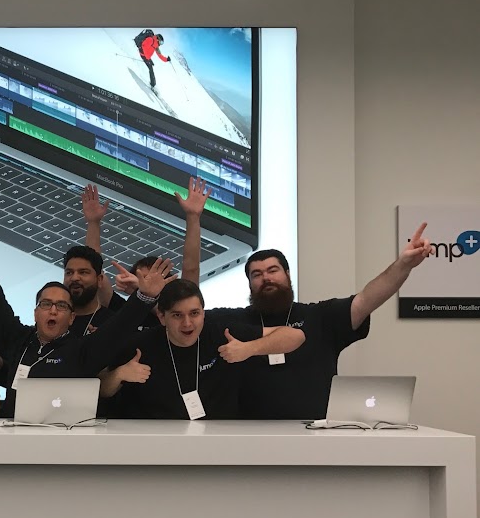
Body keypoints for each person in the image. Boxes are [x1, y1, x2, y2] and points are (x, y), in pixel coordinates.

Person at [214, 230, 433, 419]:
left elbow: (367, 299)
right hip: (249, 435)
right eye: (257, 274)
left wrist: (403, 265)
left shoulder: (319, 316)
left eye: (273, 270)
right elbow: (195, 309)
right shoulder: (235, 322)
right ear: (250, 284)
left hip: (315, 435)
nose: (266, 278)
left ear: (287, 275)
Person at [0, 223, 172, 418]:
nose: (53, 311)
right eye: (46, 304)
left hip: (62, 437)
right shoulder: (19, 339)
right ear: (35, 312)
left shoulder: (81, 350)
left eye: (61, 306)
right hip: (12, 432)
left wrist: (145, 296)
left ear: (71, 317)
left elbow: (120, 326)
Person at [100, 278, 305, 420]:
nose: (187, 323)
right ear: (162, 317)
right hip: (157, 440)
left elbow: (295, 336)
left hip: (218, 438)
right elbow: (101, 390)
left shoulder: (222, 333)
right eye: (177, 315)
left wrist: (249, 348)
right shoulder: (140, 344)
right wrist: (119, 374)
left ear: (203, 313)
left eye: (194, 313)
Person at [82, 177, 208, 288]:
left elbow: (191, 268)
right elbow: (93, 273)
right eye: (142, 278)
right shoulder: (119, 306)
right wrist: (93, 223)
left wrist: (193, 216)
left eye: (151, 279)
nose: (147, 283)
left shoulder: (180, 303)